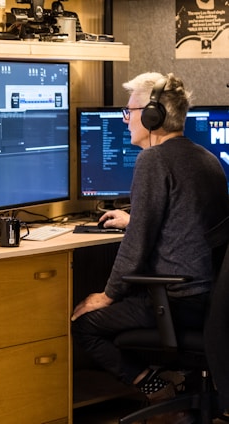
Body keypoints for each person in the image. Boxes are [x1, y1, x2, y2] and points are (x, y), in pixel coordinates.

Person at [71, 72, 229, 420]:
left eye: (130, 111)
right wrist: (134, 219)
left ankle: (156, 385)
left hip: (177, 301)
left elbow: (136, 249)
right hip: (209, 298)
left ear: (153, 115)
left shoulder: (153, 161)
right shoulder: (207, 158)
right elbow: (189, 221)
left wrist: (107, 296)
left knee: (84, 322)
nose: (125, 120)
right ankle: (179, 381)